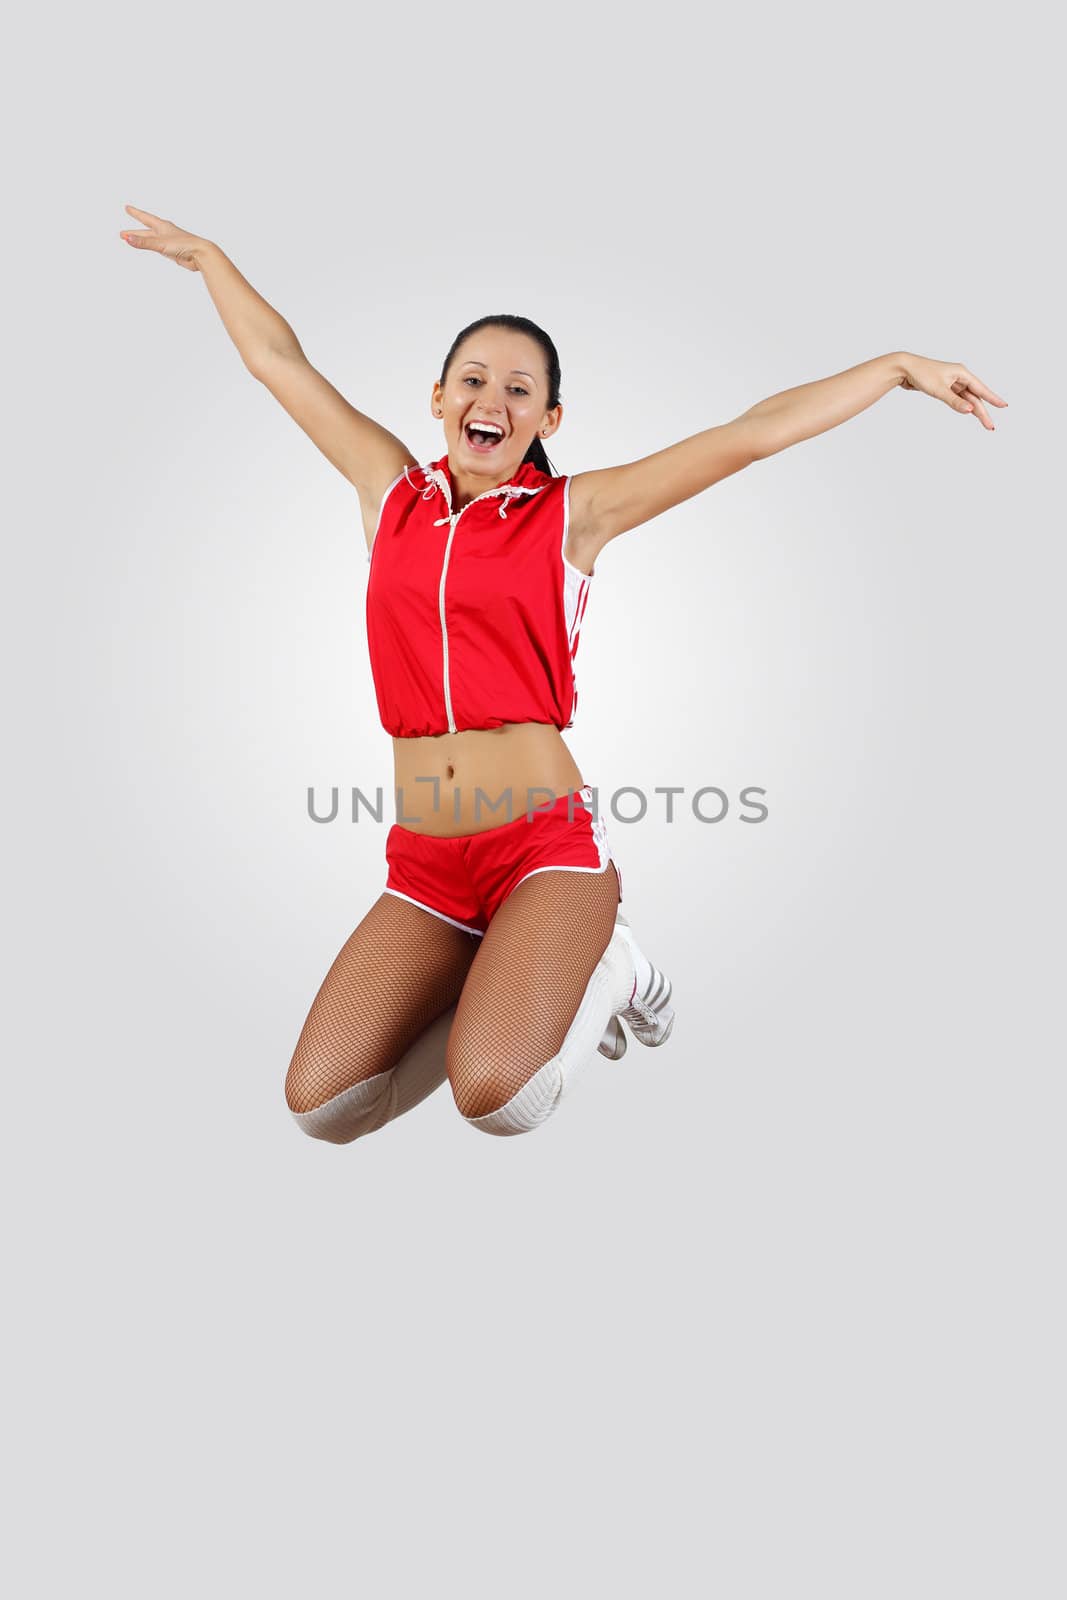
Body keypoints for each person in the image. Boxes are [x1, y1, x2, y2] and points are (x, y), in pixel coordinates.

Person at [119, 204, 1006, 1141]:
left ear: (548, 418)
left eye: (517, 388)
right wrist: (211, 259)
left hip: (542, 849)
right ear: (437, 398)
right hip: (425, 862)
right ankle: (503, 968)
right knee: (325, 1110)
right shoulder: (389, 492)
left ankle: (612, 964)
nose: (488, 401)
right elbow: (279, 362)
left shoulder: (571, 515)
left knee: (502, 1101)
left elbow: (749, 434)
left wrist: (897, 367)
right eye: (471, 380)